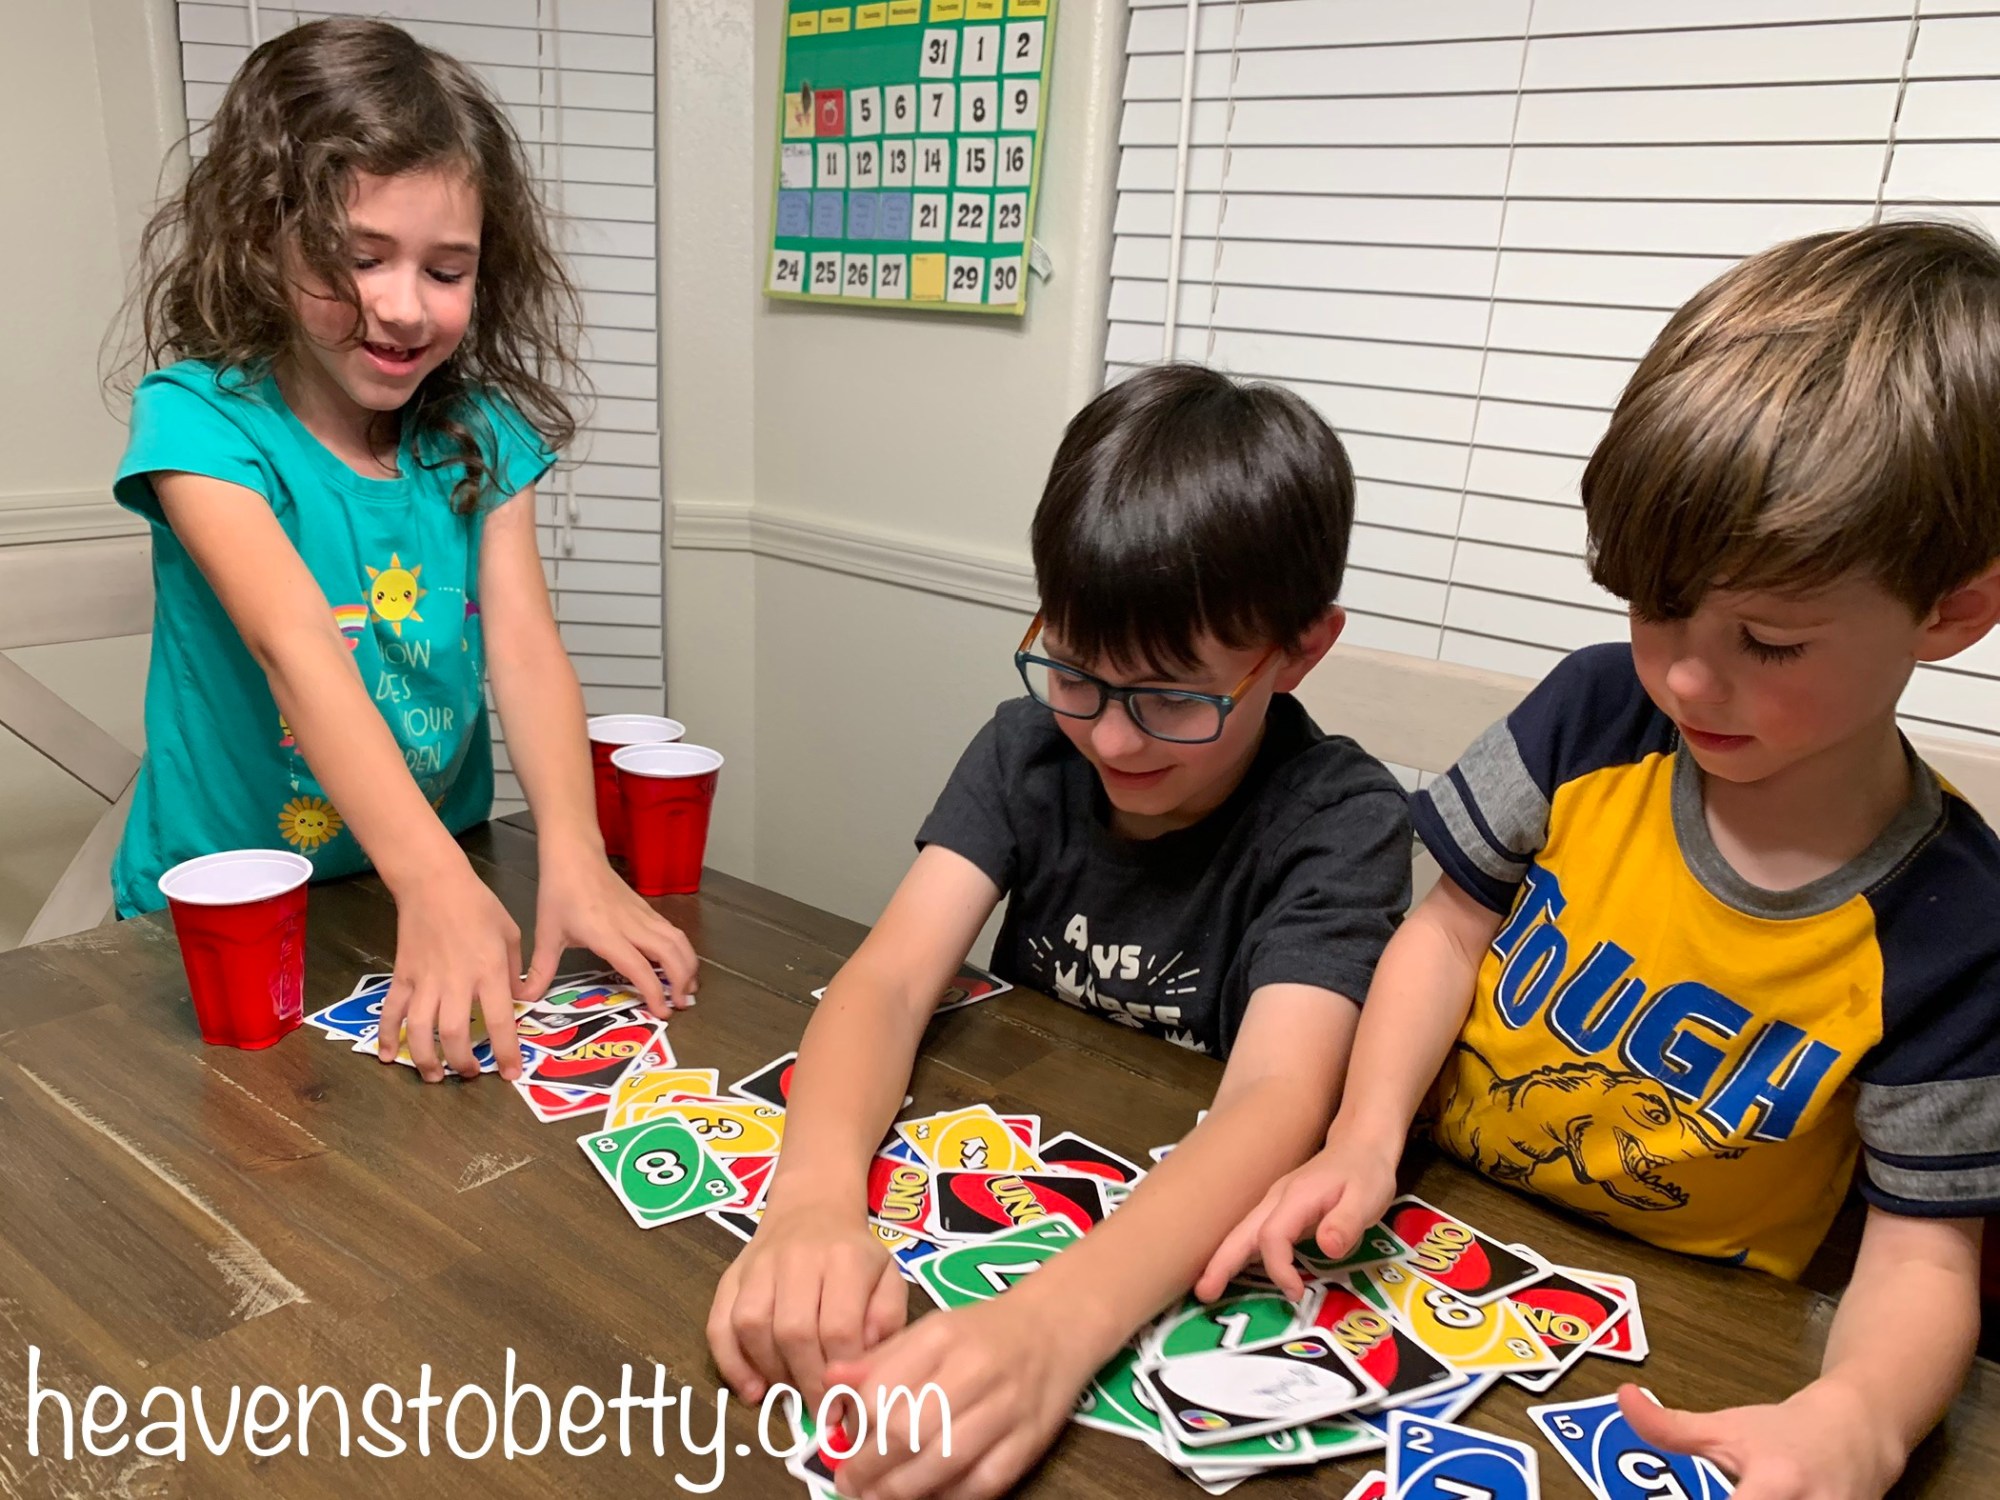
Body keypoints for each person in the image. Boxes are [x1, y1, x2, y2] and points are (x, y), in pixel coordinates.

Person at [1203, 220, 2000, 1500]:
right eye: (1652, 608)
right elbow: (1443, 933)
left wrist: (1855, 1419)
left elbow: (1922, 1258)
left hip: (1692, 1344)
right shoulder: (1589, 713)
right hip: (1419, 1227)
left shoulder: (1956, 923)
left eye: (1768, 642)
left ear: (1951, 609)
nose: (1683, 678)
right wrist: (1361, 1131)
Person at [707, 362, 1413, 1497]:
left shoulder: (1342, 817)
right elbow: (888, 982)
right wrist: (811, 1203)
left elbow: (1277, 1099)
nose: (1113, 740)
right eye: (1075, 674)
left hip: (1151, 1249)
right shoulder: (1026, 748)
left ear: (1298, 651)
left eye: (1172, 697)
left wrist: (1052, 1327)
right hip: (1018, 1163)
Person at [110, 17, 695, 1081]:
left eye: (446, 269)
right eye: (357, 257)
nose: (401, 306)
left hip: (427, 887)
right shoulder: (198, 420)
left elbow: (524, 649)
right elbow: (295, 645)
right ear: (263, 238)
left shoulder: (480, 433)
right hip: (234, 914)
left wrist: (573, 851)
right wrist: (431, 881)